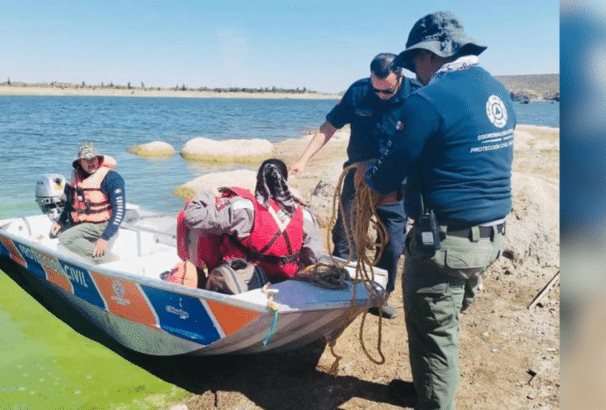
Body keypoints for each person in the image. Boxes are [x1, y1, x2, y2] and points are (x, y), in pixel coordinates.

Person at [363, 11, 515, 410]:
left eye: (415, 60)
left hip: (445, 244)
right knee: (444, 323)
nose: (415, 69)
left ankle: (433, 400)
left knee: (433, 332)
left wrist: (371, 176)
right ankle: (427, 389)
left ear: (433, 55)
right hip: (491, 237)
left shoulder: (427, 101)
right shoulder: (497, 91)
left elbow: (386, 176)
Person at [291, 53, 423, 319]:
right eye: (376, 88)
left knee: (393, 243)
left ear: (400, 77)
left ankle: (378, 296)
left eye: (386, 90)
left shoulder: (418, 96)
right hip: (358, 176)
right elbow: (329, 126)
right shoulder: (359, 92)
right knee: (345, 236)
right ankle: (340, 290)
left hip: (395, 181)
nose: (380, 94)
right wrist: (303, 160)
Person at [182, 158, 327, 283]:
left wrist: (209, 194)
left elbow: (192, 217)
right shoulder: (305, 215)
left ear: (259, 179)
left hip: (245, 279)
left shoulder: (245, 209)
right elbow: (313, 257)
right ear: (285, 181)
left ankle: (200, 275)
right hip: (285, 279)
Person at [49, 141, 126, 262]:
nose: (91, 163)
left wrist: (105, 238)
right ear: (79, 162)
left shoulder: (111, 178)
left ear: (98, 159)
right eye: (86, 159)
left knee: (65, 238)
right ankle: (90, 251)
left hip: (102, 224)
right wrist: (61, 221)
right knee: (57, 232)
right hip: (85, 221)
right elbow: (71, 202)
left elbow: (120, 210)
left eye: (93, 159)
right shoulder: (77, 176)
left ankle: (109, 260)